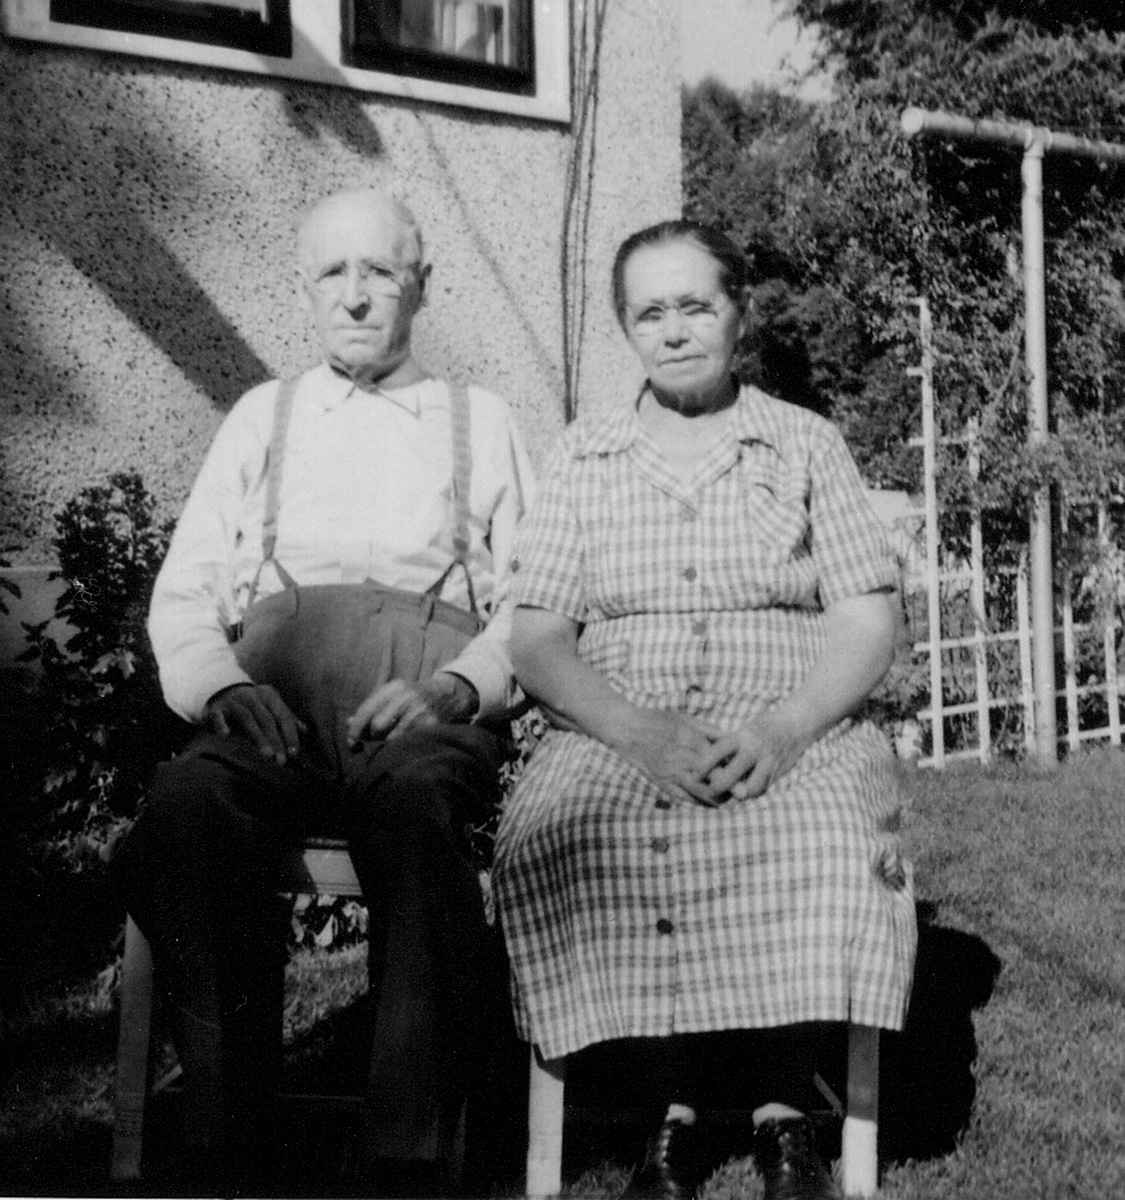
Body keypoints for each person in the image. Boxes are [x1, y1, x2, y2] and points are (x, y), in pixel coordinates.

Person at [112, 187, 534, 1197]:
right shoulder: (265, 415)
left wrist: (458, 688)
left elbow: (534, 607)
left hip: (420, 709)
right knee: (188, 806)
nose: (353, 296)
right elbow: (186, 593)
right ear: (305, 291)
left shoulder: (481, 421)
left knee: (418, 811)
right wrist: (219, 685)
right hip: (274, 703)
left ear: (421, 286)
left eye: (378, 272)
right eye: (331, 274)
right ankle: (231, 1137)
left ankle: (405, 1155)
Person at [491, 219, 917, 1200]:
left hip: (790, 711)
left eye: (696, 305)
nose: (675, 330)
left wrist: (784, 731)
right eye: (651, 313)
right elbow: (538, 636)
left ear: (739, 313)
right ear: (626, 329)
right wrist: (638, 734)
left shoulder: (804, 442)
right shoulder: (584, 455)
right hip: (619, 717)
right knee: (576, 831)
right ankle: (668, 1114)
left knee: (823, 834)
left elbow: (866, 618)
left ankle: (783, 1115)